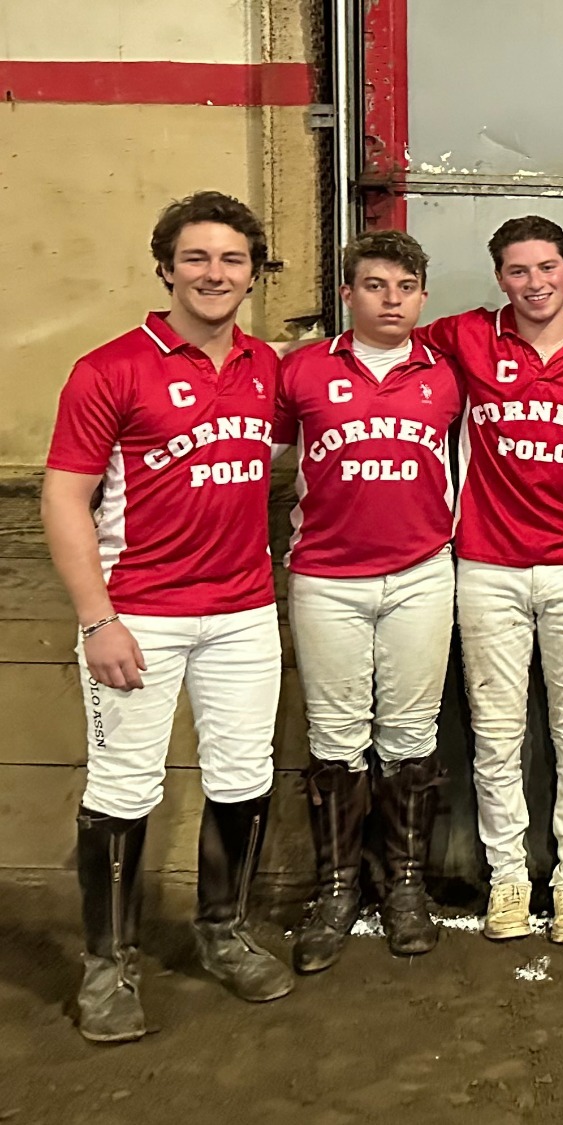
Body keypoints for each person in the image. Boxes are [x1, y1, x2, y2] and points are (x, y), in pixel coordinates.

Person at [44, 192, 293, 1042]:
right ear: (165, 268)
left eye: (232, 260)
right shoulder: (109, 367)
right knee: (122, 788)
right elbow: (64, 499)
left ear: (254, 274)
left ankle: (224, 932)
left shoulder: (265, 366)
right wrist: (95, 619)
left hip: (244, 612)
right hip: (139, 615)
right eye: (197, 258)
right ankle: (107, 965)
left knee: (242, 776)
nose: (215, 274)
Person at [424, 217, 563, 945]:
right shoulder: (464, 337)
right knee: (497, 731)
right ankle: (509, 875)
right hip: (486, 563)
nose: (534, 283)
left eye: (546, 267)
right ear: (499, 278)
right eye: (518, 271)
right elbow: (382, 342)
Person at [275, 230, 462, 971]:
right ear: (347, 293)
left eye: (404, 286)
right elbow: (257, 460)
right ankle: (337, 886)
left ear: (422, 296)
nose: (391, 299)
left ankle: (406, 885)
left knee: (411, 734)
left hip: (421, 571)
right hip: (326, 575)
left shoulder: (446, 376)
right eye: (375, 285)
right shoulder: (301, 372)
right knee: (336, 737)